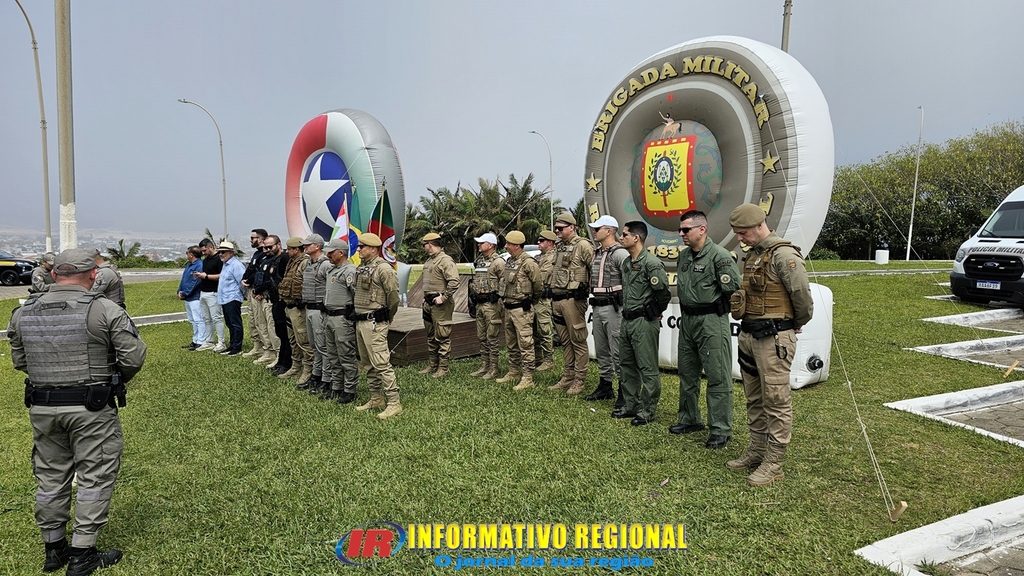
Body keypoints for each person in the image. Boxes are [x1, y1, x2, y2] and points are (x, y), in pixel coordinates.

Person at [7, 247, 147, 576]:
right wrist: (110, 381)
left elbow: (20, 360)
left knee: (51, 477)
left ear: (54, 274)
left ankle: (54, 549)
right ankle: (83, 554)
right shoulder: (103, 309)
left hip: (43, 406)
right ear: (93, 275)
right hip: (91, 406)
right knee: (94, 476)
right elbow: (133, 357)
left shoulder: (24, 312)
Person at [726, 204, 813, 486]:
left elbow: (801, 296)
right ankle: (757, 450)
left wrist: (793, 322)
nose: (740, 239)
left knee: (775, 401)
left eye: (743, 233)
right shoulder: (753, 256)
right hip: (750, 335)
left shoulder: (783, 255)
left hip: (774, 338)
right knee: (753, 397)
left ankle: (774, 463)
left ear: (758, 226)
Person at [673, 210, 742, 449]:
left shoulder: (719, 256)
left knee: (717, 375)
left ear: (702, 229)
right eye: (680, 230)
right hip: (688, 320)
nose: (681, 234)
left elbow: (733, 288)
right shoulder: (684, 257)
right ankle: (689, 419)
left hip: (712, 321)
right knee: (687, 373)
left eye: (686, 230)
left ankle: (720, 428)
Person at [613, 221, 671, 426]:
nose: (621, 237)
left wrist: (656, 310)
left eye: (625, 234)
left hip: (644, 321)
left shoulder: (651, 263)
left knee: (647, 367)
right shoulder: (627, 263)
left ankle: (647, 410)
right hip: (627, 320)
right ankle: (631, 405)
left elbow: (663, 291)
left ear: (636, 238)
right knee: (626, 364)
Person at [352, 233, 403, 419]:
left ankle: (394, 402)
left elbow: (394, 296)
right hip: (361, 320)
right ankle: (376, 398)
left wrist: (388, 316)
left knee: (381, 362)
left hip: (375, 322)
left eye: (362, 247)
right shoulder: (362, 267)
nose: (358, 250)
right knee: (367, 363)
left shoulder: (383, 269)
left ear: (373, 249)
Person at [547, 213, 595, 396]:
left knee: (578, 340)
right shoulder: (560, 247)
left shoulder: (582, 245)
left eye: (560, 228)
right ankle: (568, 375)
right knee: (565, 341)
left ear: (572, 227)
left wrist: (588, 291)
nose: (557, 231)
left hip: (573, 301)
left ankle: (579, 380)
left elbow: (595, 269)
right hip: (558, 299)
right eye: (556, 228)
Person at [585, 215, 629, 405]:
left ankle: (625, 390)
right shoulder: (597, 252)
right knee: (602, 349)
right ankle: (605, 385)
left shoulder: (620, 254)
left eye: (598, 228)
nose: (595, 232)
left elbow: (630, 281)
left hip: (614, 307)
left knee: (618, 350)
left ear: (609, 231)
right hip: (598, 305)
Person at [496, 230, 542, 390]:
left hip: (522, 309)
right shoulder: (510, 261)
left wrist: (529, 302)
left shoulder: (529, 263)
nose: (506, 246)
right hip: (508, 308)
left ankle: (528, 377)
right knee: (511, 342)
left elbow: (538, 286)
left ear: (516, 245)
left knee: (525, 343)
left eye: (508, 244)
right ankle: (514, 371)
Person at [321, 239, 358, 403]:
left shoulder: (349, 271)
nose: (327, 255)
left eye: (331, 252)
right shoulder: (332, 270)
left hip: (342, 318)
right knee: (332, 355)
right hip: (329, 317)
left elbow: (357, 295)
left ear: (341, 253)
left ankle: (350, 390)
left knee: (346, 355)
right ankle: (337, 387)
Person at [418, 232, 460, 378]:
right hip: (429, 302)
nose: (424, 247)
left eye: (424, 244)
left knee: (442, 335)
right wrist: (425, 298)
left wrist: (445, 296)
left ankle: (443, 368)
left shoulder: (445, 260)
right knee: (430, 335)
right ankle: (433, 364)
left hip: (441, 304)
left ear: (430, 244)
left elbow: (454, 281)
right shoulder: (430, 260)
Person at [468, 232, 505, 380]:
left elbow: (505, 281)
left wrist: (498, 296)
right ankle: (485, 364)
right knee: (481, 336)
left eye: (481, 243)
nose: (478, 245)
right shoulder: (481, 261)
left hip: (492, 304)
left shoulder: (498, 262)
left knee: (492, 337)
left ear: (490, 245)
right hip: (480, 303)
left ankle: (494, 368)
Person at [300, 234, 333, 392]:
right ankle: (316, 375)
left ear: (317, 246)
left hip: (320, 310)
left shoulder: (325, 264)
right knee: (314, 345)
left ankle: (327, 379)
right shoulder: (309, 263)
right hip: (309, 308)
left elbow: (331, 288)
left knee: (323, 346)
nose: (305, 247)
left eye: (308, 244)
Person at [277, 237, 312, 381]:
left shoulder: (304, 262)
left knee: (303, 340)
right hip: (289, 306)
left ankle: (308, 370)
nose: (287, 251)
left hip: (299, 308)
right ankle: (296, 367)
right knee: (293, 340)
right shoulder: (292, 262)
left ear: (296, 249)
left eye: (290, 249)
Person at [254, 235, 291, 375]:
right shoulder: (273, 260)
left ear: (278, 245)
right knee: (280, 333)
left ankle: (286, 363)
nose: (267, 250)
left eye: (270, 247)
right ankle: (281, 361)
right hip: (274, 300)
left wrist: (260, 289)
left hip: (283, 301)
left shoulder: (284, 259)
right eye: (265, 247)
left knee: (285, 335)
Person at [242, 229, 272, 358]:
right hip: (252, 290)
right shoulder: (256, 254)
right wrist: (245, 280)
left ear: (260, 239)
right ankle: (257, 346)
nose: (251, 240)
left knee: (262, 322)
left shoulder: (264, 255)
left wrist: (250, 281)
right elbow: (251, 269)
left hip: (259, 291)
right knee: (252, 320)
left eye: (253, 237)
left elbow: (260, 274)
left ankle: (268, 349)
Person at [195, 238, 226, 352]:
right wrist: (200, 276)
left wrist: (206, 276)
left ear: (211, 247)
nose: (203, 253)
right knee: (206, 318)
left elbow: (222, 275)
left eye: (204, 251)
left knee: (216, 318)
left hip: (214, 292)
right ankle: (209, 340)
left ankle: (221, 342)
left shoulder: (219, 259)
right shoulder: (206, 260)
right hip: (204, 291)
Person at [216, 242, 246, 356]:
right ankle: (232, 345)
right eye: (219, 252)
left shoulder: (236, 265)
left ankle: (237, 346)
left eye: (223, 252)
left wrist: (242, 295)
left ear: (231, 253)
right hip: (224, 298)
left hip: (233, 297)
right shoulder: (225, 264)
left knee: (235, 323)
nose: (220, 254)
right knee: (229, 323)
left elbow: (242, 282)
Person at [533, 230, 557, 372]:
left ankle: (548, 359)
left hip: (544, 299)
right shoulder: (538, 257)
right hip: (535, 298)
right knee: (534, 329)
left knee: (544, 329)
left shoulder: (553, 257)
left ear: (550, 242)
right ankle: (538, 358)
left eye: (541, 241)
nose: (538, 243)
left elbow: (540, 277)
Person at [177, 246, 206, 350]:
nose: (186, 255)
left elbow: (195, 282)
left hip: (195, 297)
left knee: (198, 319)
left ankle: (201, 341)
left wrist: (185, 293)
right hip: (188, 298)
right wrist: (179, 291)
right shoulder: (189, 265)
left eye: (187, 253)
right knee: (192, 320)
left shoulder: (199, 265)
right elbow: (184, 280)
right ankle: (195, 340)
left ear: (191, 255)